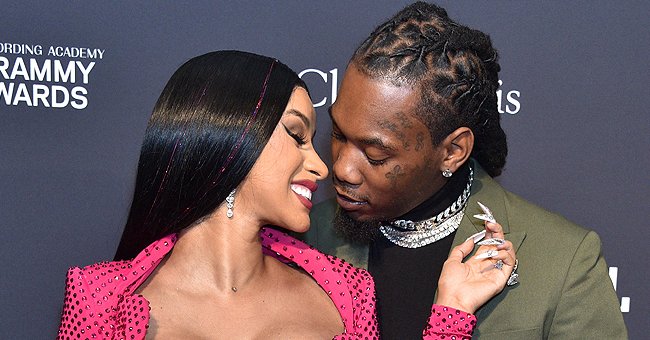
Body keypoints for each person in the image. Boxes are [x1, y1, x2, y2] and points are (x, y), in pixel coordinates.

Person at [57, 50, 515, 339]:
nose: (321, 165)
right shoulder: (100, 302)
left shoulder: (347, 293)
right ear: (234, 138)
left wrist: (450, 313)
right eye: (297, 135)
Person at [304, 2, 628, 339]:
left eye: (375, 154)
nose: (341, 168)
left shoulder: (564, 262)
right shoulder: (304, 236)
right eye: (339, 135)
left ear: (453, 151)